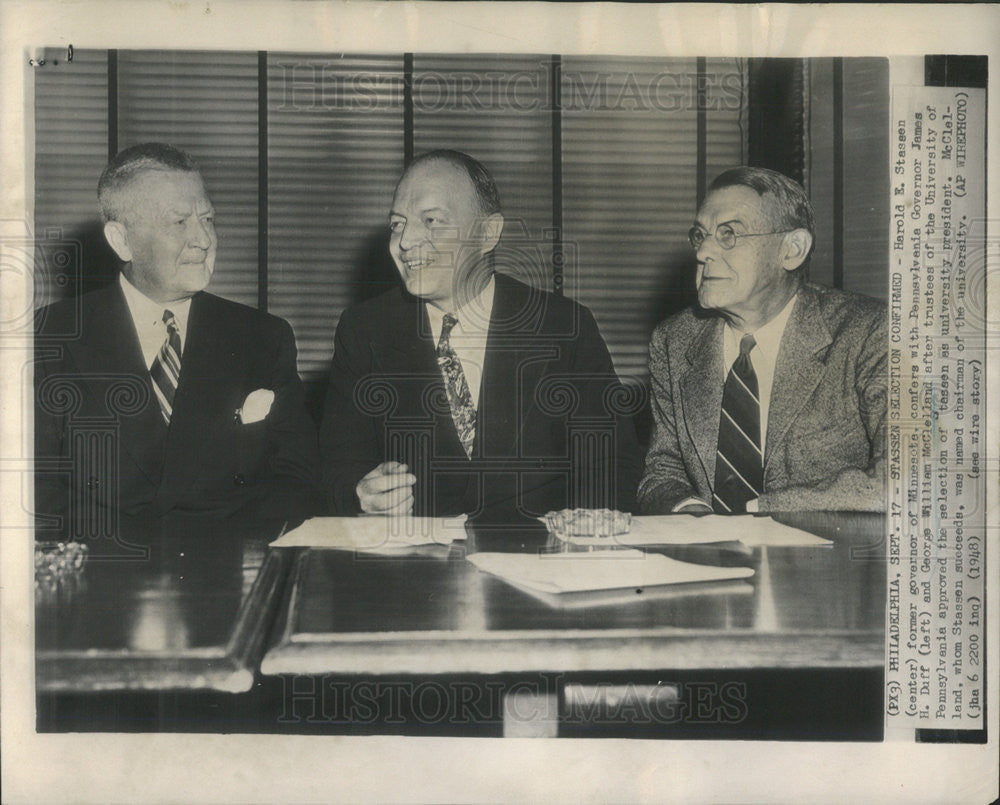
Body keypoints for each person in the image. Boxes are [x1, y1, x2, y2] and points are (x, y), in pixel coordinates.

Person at [321, 149, 641, 521]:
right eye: (397, 224)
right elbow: (335, 469)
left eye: (431, 220)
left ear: (488, 233)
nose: (405, 241)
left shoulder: (563, 326)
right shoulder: (365, 331)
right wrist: (361, 494)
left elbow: (614, 464)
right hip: (420, 565)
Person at [34, 143, 319, 537]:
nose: (203, 239)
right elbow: (34, 488)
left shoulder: (263, 337)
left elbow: (296, 476)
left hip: (224, 573)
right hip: (106, 573)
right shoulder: (51, 335)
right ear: (121, 241)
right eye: (179, 222)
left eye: (207, 219)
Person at [639, 166, 887, 514]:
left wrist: (758, 512)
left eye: (729, 235)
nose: (703, 253)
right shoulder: (675, 339)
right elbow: (664, 469)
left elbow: (908, 476)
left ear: (792, 250)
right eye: (700, 235)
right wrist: (695, 519)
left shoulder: (870, 332)